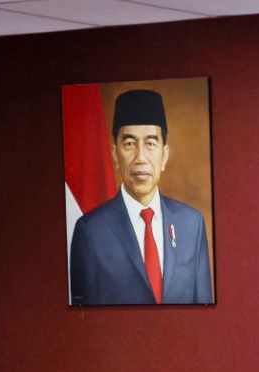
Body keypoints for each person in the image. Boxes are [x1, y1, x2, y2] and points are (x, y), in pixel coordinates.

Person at [69, 88, 214, 306]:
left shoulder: (192, 224)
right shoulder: (90, 231)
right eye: (129, 144)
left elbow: (204, 310)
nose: (141, 158)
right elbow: (83, 319)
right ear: (115, 154)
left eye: (151, 143)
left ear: (164, 155)